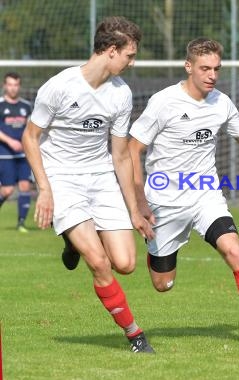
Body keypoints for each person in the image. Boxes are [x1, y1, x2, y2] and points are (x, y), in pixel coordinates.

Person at [128, 37, 239, 350]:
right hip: (164, 201)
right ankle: (157, 252)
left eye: (217, 68)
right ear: (188, 66)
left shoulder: (222, 102)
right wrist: (139, 202)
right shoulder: (164, 102)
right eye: (205, 68)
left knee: (234, 251)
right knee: (164, 285)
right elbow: (133, 149)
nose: (212, 75)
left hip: (206, 195)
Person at [21, 16, 155, 353]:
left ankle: (73, 241)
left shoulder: (121, 95)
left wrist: (135, 209)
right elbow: (30, 137)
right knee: (98, 261)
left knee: (125, 263)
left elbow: (121, 156)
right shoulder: (60, 86)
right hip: (63, 180)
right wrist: (45, 189)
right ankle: (135, 334)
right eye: (130, 55)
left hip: (100, 178)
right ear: (112, 51)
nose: (132, 62)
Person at [0, 72, 33, 232]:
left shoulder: (26, 106)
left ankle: (21, 223)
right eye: (10, 84)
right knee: (7, 190)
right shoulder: (0, 105)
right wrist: (10, 141)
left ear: (19, 86)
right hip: (5, 153)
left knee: (25, 186)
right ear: (4, 86)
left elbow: (30, 127)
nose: (13, 88)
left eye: (16, 85)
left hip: (23, 154)